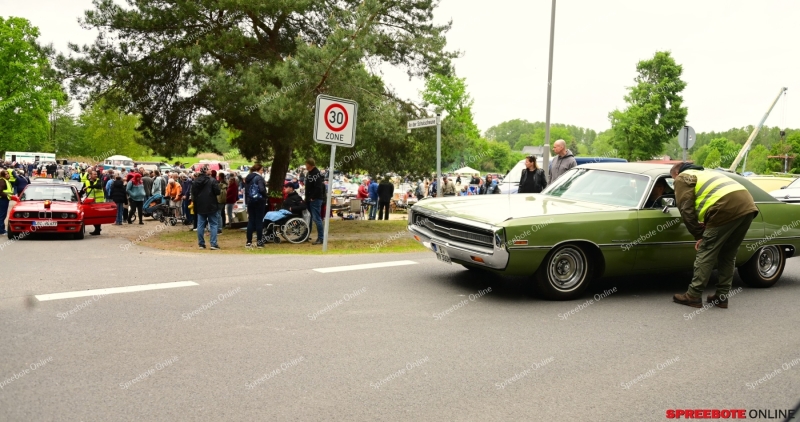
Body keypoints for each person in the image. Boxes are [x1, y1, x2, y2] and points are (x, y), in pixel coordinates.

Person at [670, 162, 759, 309]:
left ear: (677, 173)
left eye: (673, 180)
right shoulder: (707, 173)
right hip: (748, 206)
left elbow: (686, 209)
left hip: (725, 207)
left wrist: (699, 235)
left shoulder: (682, 178)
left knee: (706, 250)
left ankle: (693, 295)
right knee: (728, 254)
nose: (674, 184)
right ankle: (722, 297)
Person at [192, 167, 221, 250]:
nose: (210, 171)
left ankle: (201, 244)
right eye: (209, 170)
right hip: (211, 204)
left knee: (200, 225)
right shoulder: (212, 180)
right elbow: (217, 191)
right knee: (213, 224)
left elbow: (194, 193)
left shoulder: (196, 181)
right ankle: (213, 243)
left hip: (200, 205)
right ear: (207, 172)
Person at [244, 163, 268, 247]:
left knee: (251, 221)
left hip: (250, 201)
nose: (262, 172)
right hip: (259, 201)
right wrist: (266, 196)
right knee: (259, 221)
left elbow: (246, 191)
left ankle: (249, 241)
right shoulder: (259, 178)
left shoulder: (248, 178)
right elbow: (261, 189)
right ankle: (259, 241)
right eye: (261, 170)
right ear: (258, 170)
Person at [304, 159, 325, 244]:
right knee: (309, 218)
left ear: (309, 164)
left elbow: (318, 188)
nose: (305, 165)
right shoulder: (309, 173)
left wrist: (313, 197)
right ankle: (306, 235)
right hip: (309, 198)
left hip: (315, 199)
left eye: (306, 164)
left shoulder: (316, 174)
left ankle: (321, 238)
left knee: (317, 218)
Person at [81, 171, 106, 235]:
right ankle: (97, 228)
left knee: (97, 216)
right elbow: (82, 191)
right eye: (94, 174)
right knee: (92, 216)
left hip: (99, 202)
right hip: (90, 202)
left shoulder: (99, 181)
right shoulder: (86, 182)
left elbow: (98, 186)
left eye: (96, 174)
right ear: (90, 175)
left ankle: (97, 229)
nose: (96, 175)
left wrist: (89, 187)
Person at [0, 170, 11, 236]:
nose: (7, 175)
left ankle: (2, 229)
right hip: (3, 200)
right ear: (3, 175)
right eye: (5, 174)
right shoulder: (2, 181)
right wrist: (6, 196)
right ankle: (1, 230)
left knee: (2, 215)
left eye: (8, 174)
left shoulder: (5, 180)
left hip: (4, 199)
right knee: (2, 215)